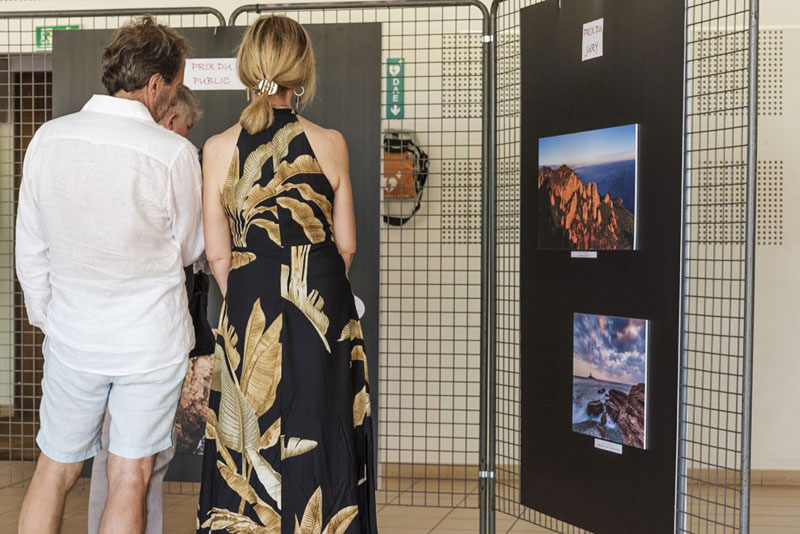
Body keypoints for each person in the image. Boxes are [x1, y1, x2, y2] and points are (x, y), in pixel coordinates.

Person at [15, 16, 202, 534]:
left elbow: (30, 247)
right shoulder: (174, 154)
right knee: (130, 475)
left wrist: (53, 321)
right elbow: (190, 247)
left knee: (54, 470)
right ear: (157, 83)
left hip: (74, 336)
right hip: (149, 342)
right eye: (176, 84)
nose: (175, 96)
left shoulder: (48, 140)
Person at [196, 15, 378, 533]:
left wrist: (252, 292)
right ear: (303, 72)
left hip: (248, 294)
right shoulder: (331, 142)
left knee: (247, 436)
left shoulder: (216, 148)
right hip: (319, 297)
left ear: (247, 68)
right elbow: (345, 246)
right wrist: (307, 289)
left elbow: (216, 255)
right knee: (323, 426)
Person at [87, 84, 212, 534]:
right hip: (143, 337)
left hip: (97, 333)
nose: (188, 140)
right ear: (167, 117)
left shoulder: (103, 160)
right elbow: (190, 248)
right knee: (135, 464)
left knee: (129, 461)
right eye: (186, 128)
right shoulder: (168, 161)